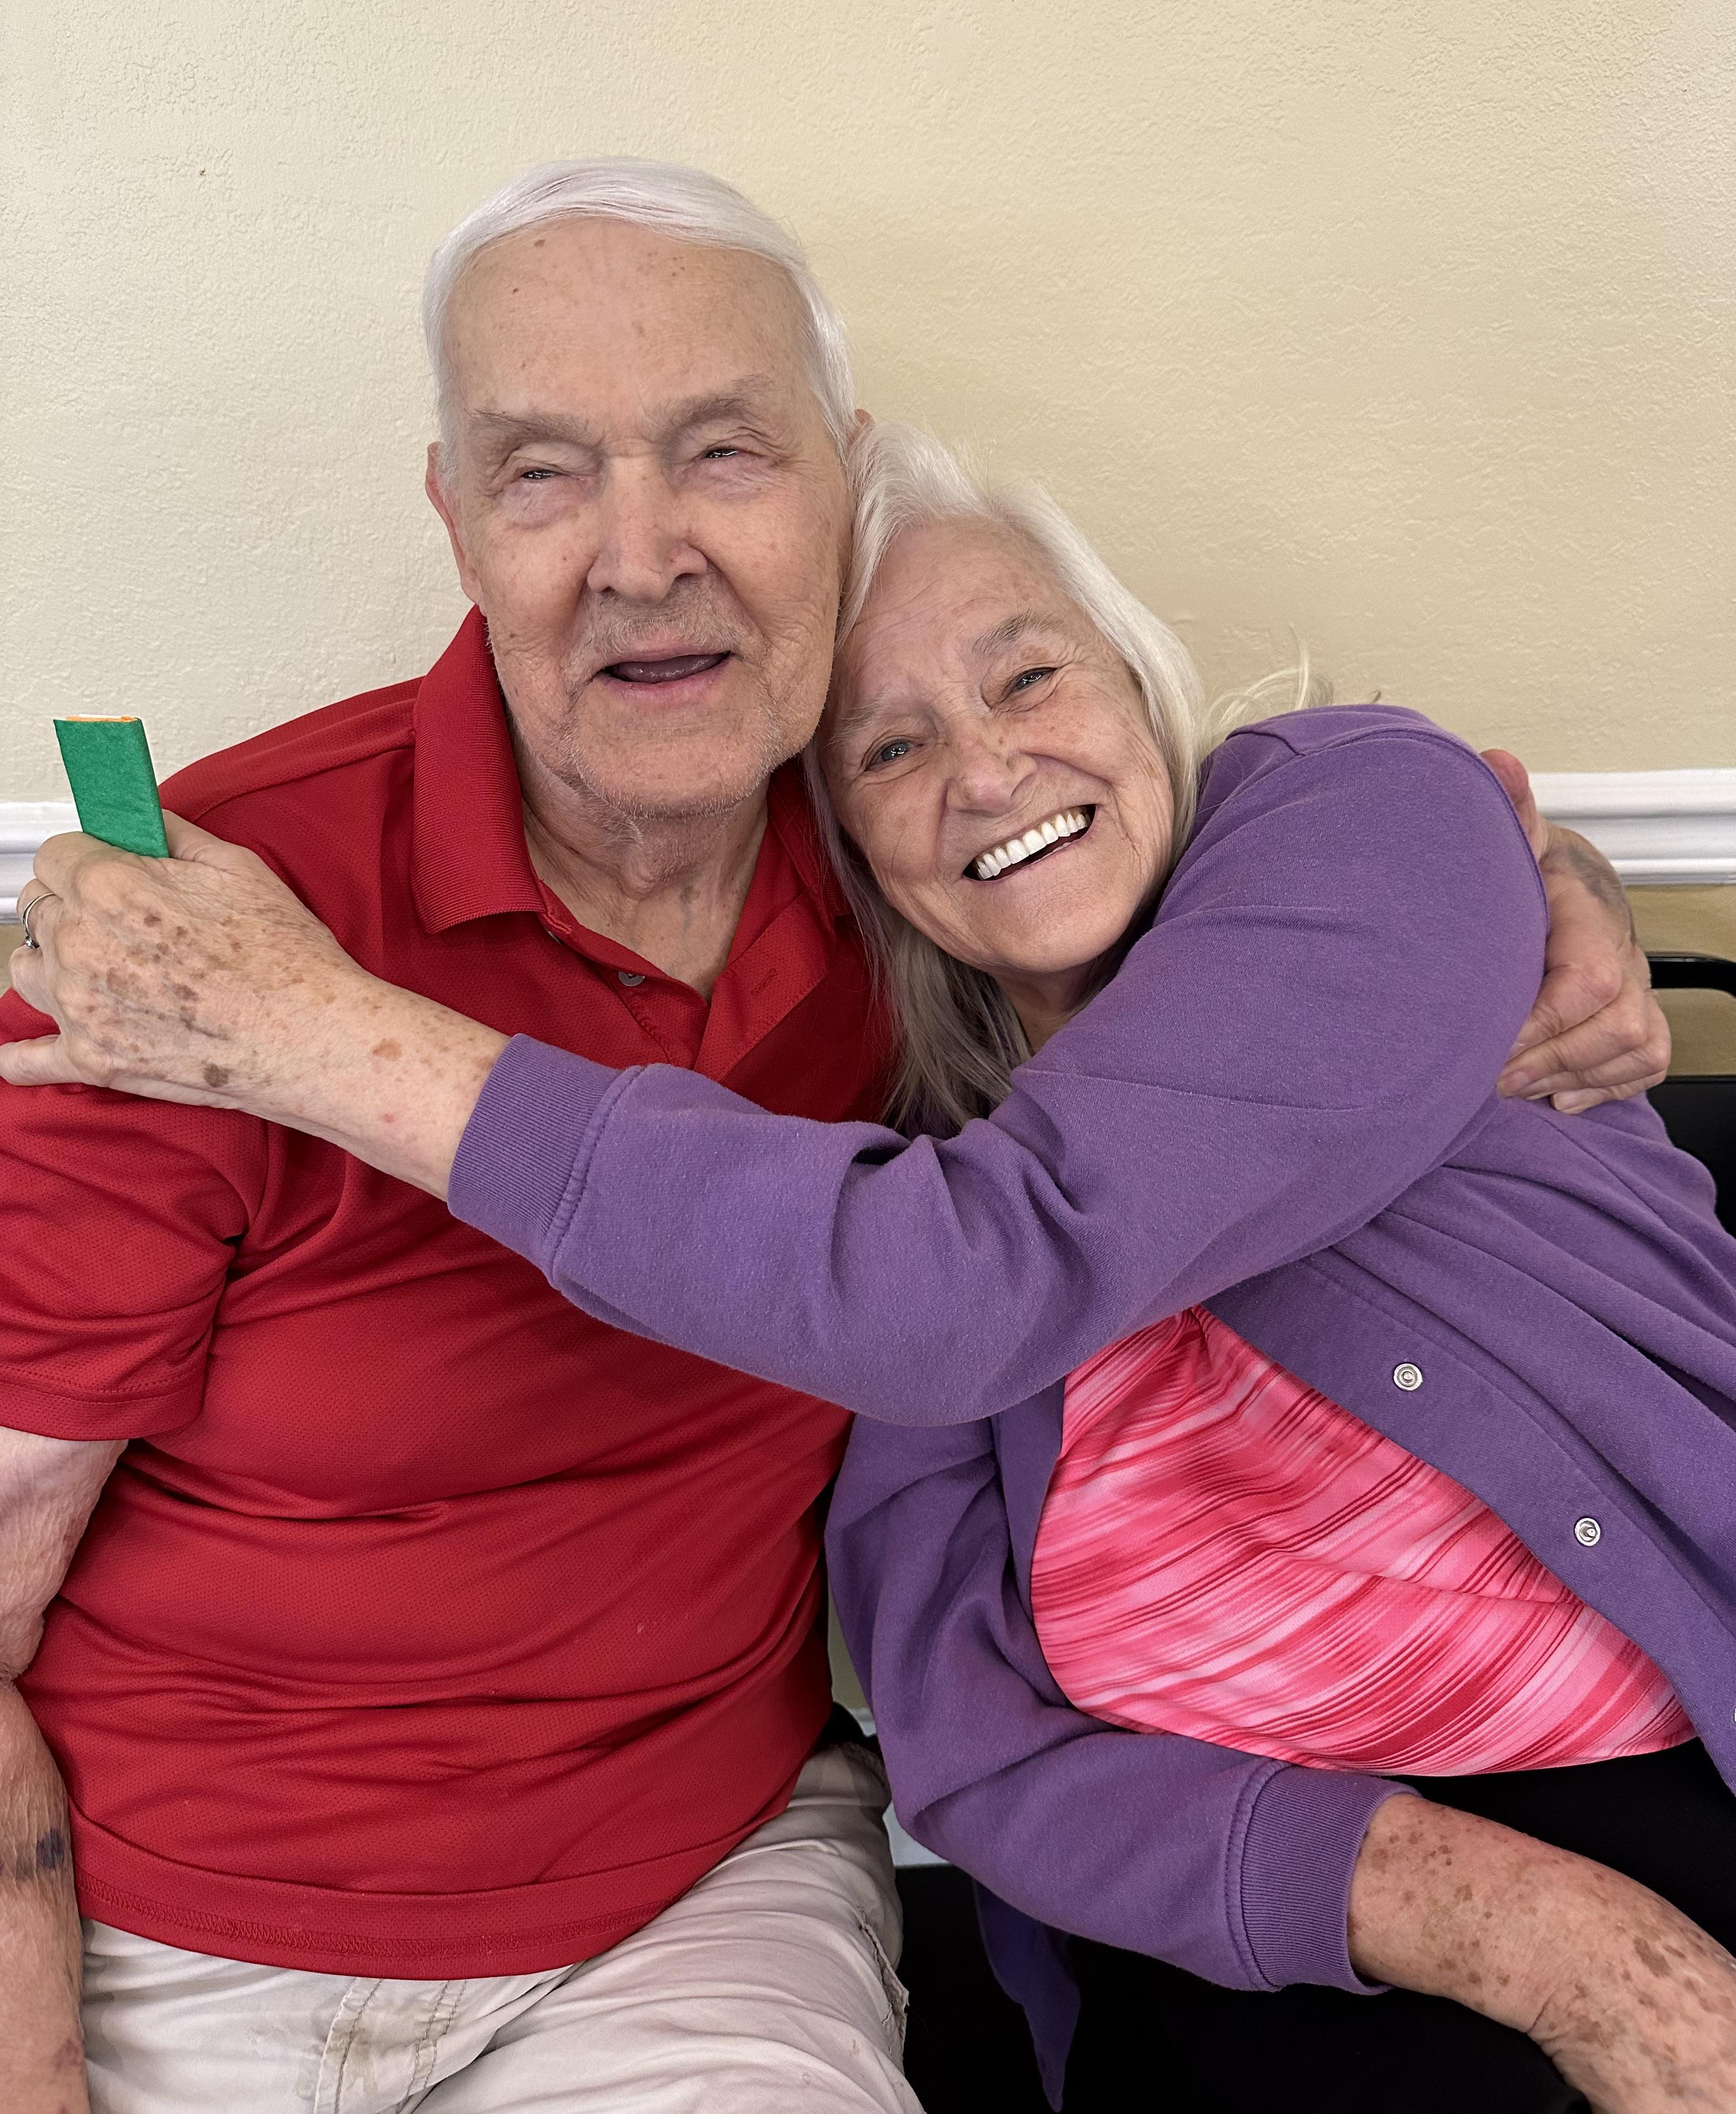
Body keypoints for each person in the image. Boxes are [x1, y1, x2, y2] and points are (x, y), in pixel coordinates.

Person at [3, 170, 1662, 2114]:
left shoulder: (898, 877)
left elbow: (1095, 1083)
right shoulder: (192, 931)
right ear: (454, 522)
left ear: (831, 478)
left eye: (722, 452)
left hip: (685, 1916)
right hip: (166, 1922)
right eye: (543, 474)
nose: (643, 556)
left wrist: (1546, 877)